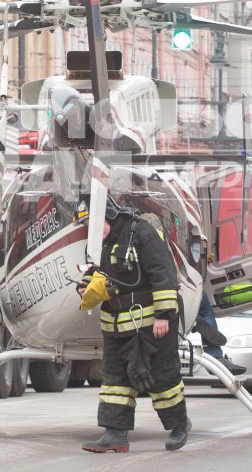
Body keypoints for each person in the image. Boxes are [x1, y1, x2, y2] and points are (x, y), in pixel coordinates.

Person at [81, 189, 189, 453]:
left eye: (94, 224)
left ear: (109, 215)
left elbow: (163, 273)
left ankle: (179, 426)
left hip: (150, 325)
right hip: (116, 326)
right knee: (115, 381)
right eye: (87, 227)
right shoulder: (101, 243)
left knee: (161, 377)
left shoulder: (141, 233)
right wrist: (85, 286)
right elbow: (97, 273)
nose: (91, 231)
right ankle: (115, 435)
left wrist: (164, 315)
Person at [186, 232, 244, 376]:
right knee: (205, 311)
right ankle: (214, 353)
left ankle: (196, 322)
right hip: (188, 280)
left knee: (203, 309)